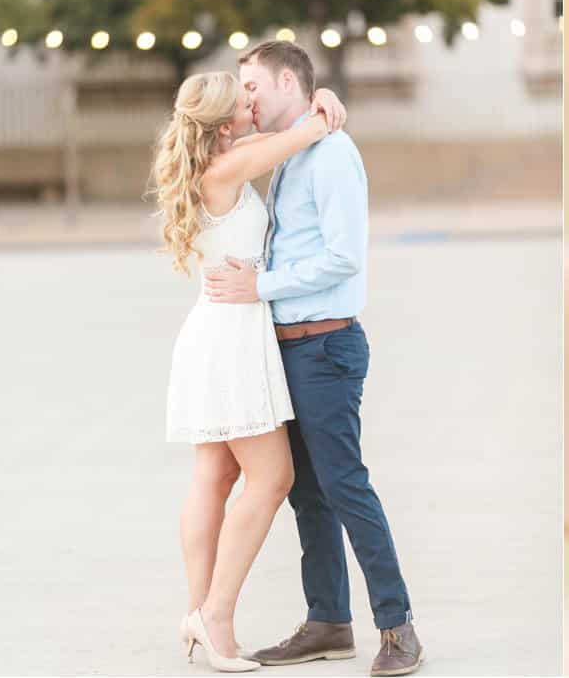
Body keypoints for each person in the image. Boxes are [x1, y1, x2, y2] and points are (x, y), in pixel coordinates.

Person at [204, 41, 424, 676]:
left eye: (253, 86)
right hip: (287, 349)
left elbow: (343, 257)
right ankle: (328, 621)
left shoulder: (330, 157)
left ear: (288, 82)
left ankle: (398, 626)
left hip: (326, 347)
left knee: (345, 484)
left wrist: (260, 286)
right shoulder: (294, 153)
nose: (246, 98)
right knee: (308, 493)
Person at [151, 70, 346, 672]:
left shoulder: (221, 161)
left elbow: (288, 137)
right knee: (273, 477)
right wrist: (325, 105)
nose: (253, 105)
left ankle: (199, 613)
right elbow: (304, 135)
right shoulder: (226, 169)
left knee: (213, 476)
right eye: (243, 101)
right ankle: (216, 615)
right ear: (223, 122)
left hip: (215, 329)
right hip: (230, 336)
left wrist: (318, 105)